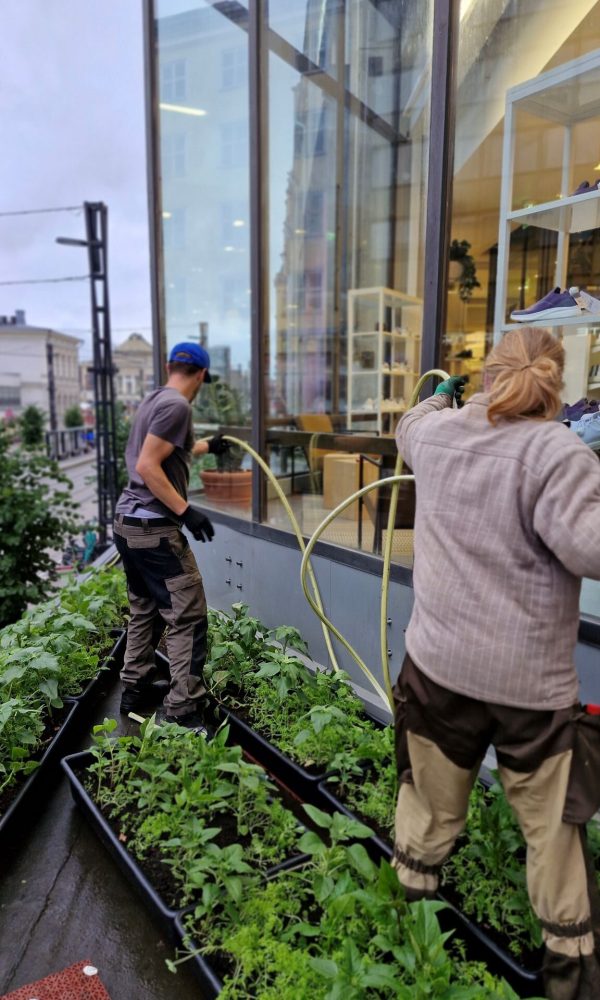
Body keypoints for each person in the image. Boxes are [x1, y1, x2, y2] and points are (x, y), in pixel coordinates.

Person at [392, 327, 600, 1000]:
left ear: (486, 376)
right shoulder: (558, 452)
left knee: (428, 801)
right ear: (558, 387)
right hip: (529, 689)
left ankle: (410, 925)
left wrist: (442, 397)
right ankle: (570, 973)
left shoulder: (436, 435)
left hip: (439, 669)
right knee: (553, 830)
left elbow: (408, 425)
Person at [113, 342, 230, 728]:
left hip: (128, 524)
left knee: (146, 606)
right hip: (154, 529)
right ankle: (184, 709)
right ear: (201, 375)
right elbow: (149, 465)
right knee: (188, 615)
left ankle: (136, 687)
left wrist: (208, 446)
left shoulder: (154, 400)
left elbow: (164, 449)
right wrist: (186, 511)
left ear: (168, 367)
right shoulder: (179, 405)